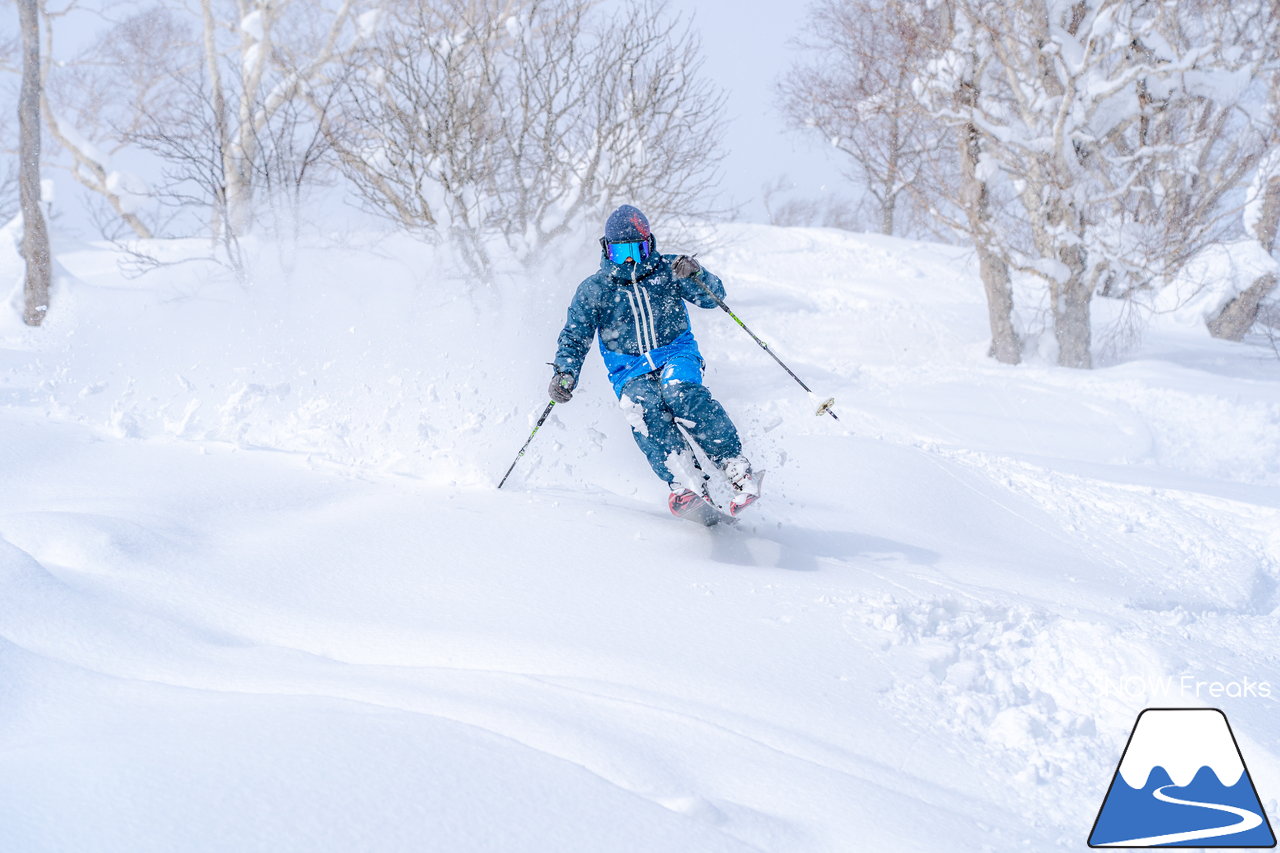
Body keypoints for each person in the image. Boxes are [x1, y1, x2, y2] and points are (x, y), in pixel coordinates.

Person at [548, 204, 760, 517]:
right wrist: (565, 373)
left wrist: (696, 274)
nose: (631, 259)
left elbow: (714, 298)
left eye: (638, 249)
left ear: (651, 245)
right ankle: (686, 483)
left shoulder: (668, 269)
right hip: (629, 369)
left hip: (676, 352)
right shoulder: (595, 290)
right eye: (622, 253)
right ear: (608, 251)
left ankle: (734, 466)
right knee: (641, 407)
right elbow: (575, 337)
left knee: (678, 390)